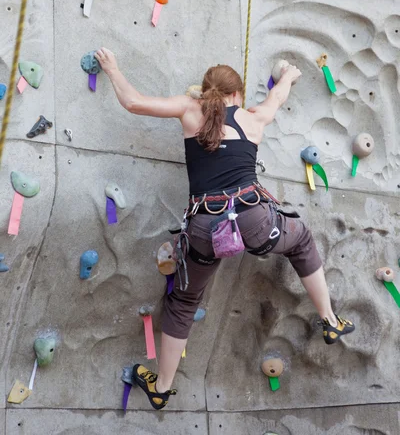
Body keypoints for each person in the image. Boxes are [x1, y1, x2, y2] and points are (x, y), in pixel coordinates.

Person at [95, 47, 355, 411]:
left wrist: (112, 67)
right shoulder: (253, 118)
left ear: (204, 92)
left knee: (184, 301)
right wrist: (288, 75)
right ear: (237, 94)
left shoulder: (189, 111)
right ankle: (329, 319)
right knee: (301, 241)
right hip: (255, 219)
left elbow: (134, 102)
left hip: (204, 227)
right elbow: (280, 93)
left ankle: (162, 386)